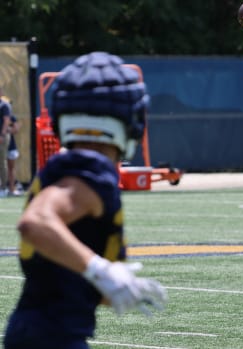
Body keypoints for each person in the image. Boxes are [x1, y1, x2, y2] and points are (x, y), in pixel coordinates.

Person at [3, 52, 167, 349]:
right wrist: (100, 270)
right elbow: (35, 223)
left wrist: (113, 282)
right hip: (51, 336)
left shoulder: (69, 165)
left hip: (41, 328)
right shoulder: (91, 172)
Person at [7, 114, 23, 195]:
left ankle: (11, 189)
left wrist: (7, 130)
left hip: (10, 145)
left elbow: (16, 129)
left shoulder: (11, 117)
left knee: (11, 168)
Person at [0, 94, 11, 197]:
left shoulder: (4, 105)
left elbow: (6, 121)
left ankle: (3, 188)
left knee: (2, 162)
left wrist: (2, 135)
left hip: (2, 136)